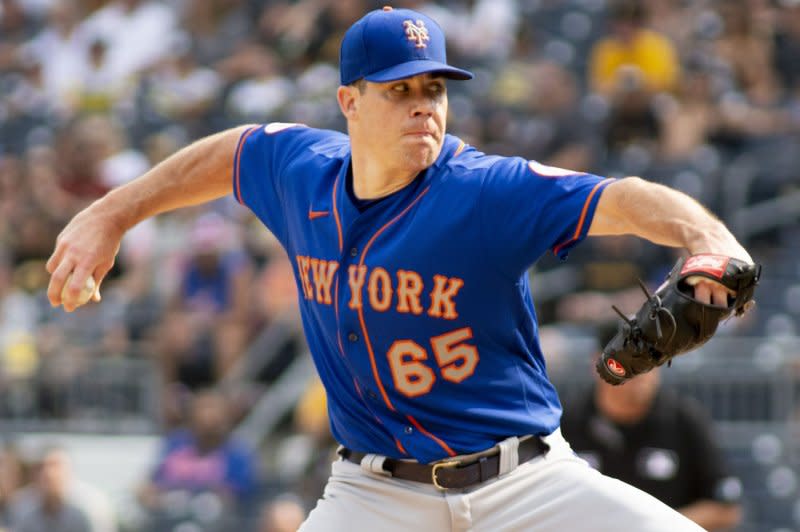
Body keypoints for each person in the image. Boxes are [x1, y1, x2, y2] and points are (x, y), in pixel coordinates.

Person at [46, 6, 755, 531]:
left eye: (434, 90)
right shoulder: (301, 170)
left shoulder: (484, 190)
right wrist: (110, 214)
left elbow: (625, 200)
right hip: (374, 497)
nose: (423, 107)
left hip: (525, 484)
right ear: (348, 103)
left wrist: (709, 240)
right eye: (399, 91)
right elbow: (230, 152)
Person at [560, 327, 743, 531]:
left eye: (653, 358)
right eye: (632, 357)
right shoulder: (567, 423)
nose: (643, 369)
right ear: (600, 363)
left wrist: (653, 526)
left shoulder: (684, 420)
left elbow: (725, 509)